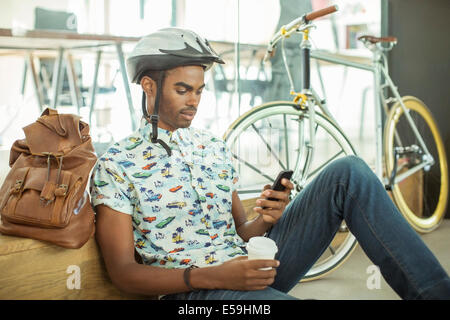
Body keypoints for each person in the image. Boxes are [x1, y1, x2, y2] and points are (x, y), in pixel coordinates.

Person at [90, 27, 450, 300]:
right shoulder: (118, 165)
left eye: (199, 90)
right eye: (182, 90)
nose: (194, 101)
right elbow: (123, 273)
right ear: (149, 86)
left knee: (350, 172)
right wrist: (214, 277)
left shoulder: (212, 147)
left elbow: (239, 234)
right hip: (194, 293)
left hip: (249, 267)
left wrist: (265, 220)